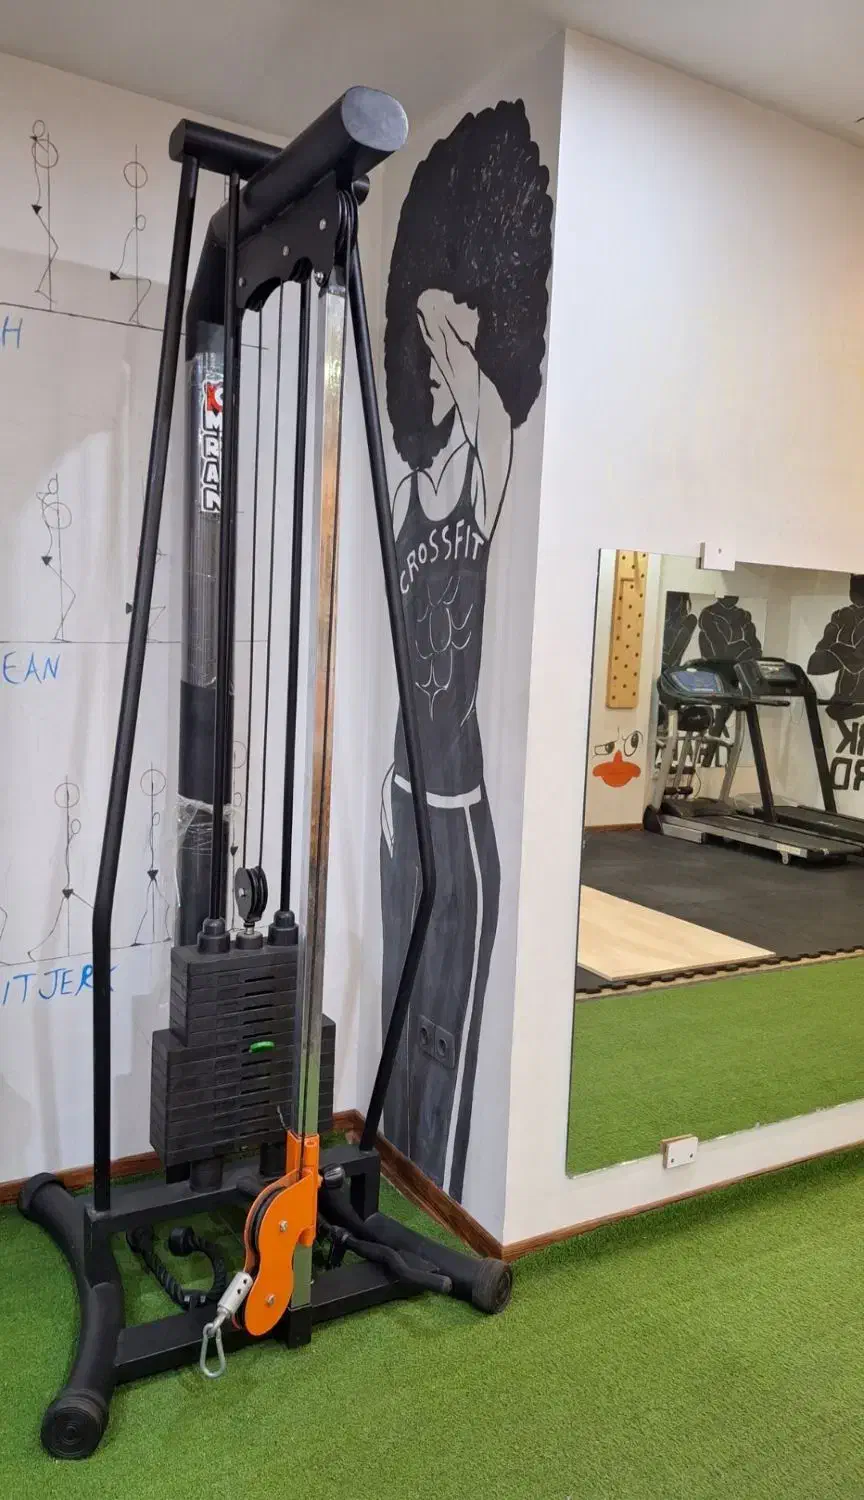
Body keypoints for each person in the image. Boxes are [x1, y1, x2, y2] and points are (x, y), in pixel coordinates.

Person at [380, 99, 553, 1200]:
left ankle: (441, 1204)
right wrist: (422, 318)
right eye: (432, 351)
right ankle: (388, 1172)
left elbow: (486, 407)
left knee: (445, 1053)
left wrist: (439, 306)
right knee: (398, 1042)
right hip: (400, 803)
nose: (439, 368)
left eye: (453, 346)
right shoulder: (408, 490)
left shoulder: (482, 481)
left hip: (456, 813)